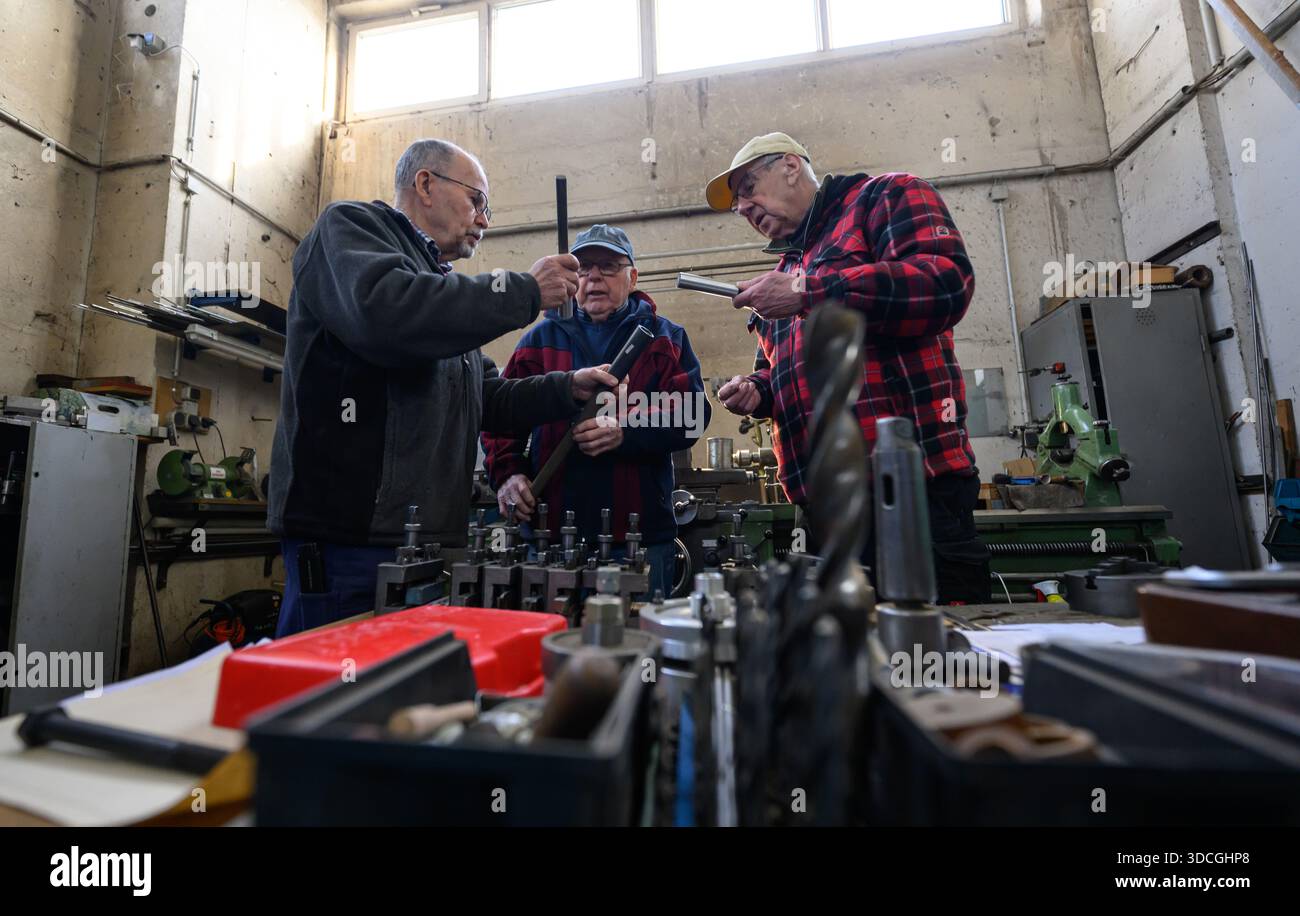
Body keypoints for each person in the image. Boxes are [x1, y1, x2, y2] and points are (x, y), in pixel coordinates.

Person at [269, 139, 616, 635]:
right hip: (350, 541)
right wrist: (523, 290)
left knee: (402, 696)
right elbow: (386, 313)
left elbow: (488, 399)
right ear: (426, 184)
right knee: (326, 692)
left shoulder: (440, 293)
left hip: (423, 545)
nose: (484, 220)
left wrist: (568, 388)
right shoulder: (349, 229)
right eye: (477, 201)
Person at [708, 132, 990, 603]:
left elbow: (943, 283)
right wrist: (757, 389)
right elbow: (776, 370)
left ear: (791, 167)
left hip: (908, 487)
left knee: (928, 651)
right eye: (737, 201)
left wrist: (808, 292)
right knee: (838, 659)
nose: (742, 207)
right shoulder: (787, 269)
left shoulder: (886, 197)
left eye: (748, 187)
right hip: (820, 506)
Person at [482, 225, 709, 598]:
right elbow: (499, 416)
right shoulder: (538, 342)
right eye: (584, 268)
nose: (594, 277)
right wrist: (508, 475)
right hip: (550, 538)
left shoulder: (664, 340)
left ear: (632, 277)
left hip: (639, 540)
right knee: (553, 650)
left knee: (638, 649)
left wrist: (626, 430)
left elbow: (692, 413)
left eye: (608, 266)